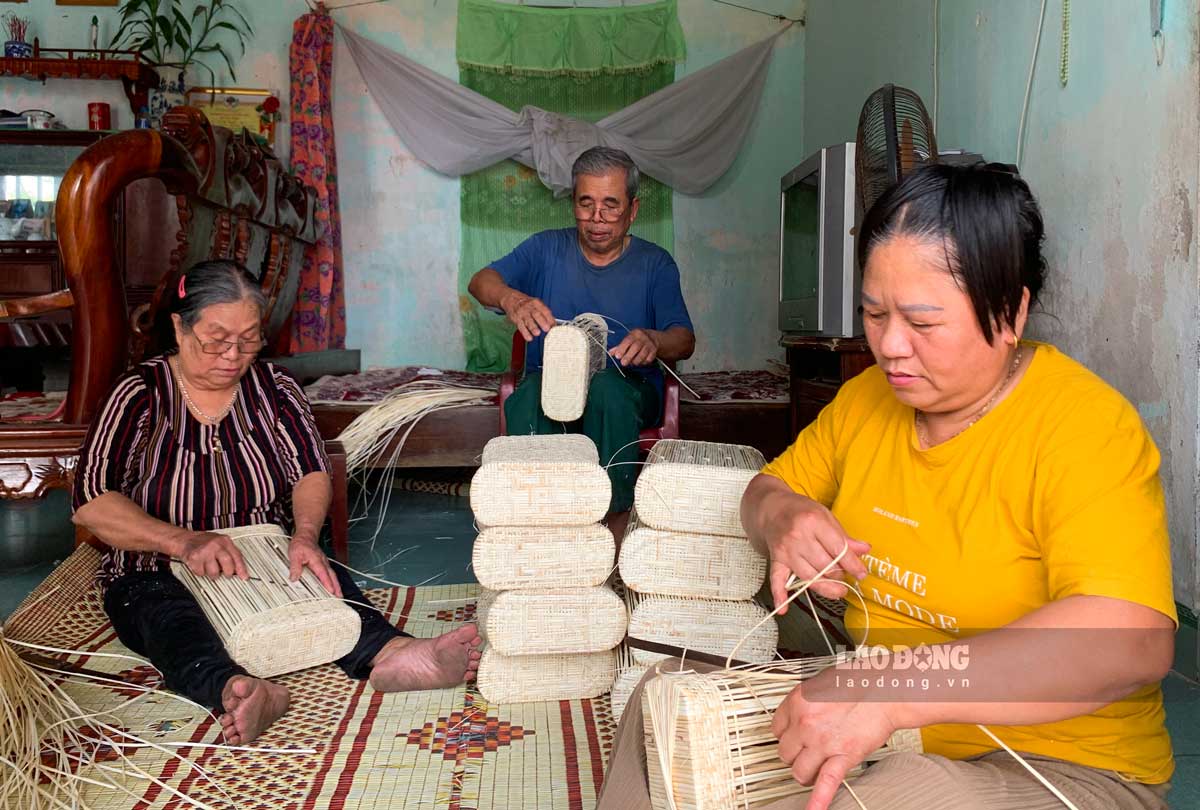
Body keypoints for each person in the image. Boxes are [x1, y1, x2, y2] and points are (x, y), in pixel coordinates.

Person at [598, 164, 1175, 810]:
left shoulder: (1083, 428)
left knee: (888, 800)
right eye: (874, 314)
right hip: (897, 740)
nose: (890, 346)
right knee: (663, 701)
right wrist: (782, 515)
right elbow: (765, 489)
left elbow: (1132, 641)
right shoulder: (867, 401)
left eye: (922, 323)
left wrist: (892, 687)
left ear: (1010, 313)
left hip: (1066, 770)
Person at [72, 260, 482, 746]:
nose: (233, 355)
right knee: (168, 622)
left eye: (248, 340)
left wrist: (305, 536)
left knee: (325, 582)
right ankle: (238, 689)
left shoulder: (275, 389)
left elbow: (311, 470)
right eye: (216, 339)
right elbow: (91, 502)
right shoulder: (138, 394)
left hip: (262, 556)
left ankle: (395, 653)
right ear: (179, 327)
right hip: (156, 564)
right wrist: (182, 542)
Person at [467, 146, 695, 540]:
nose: (597, 219)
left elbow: (684, 339)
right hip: (552, 385)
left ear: (633, 210)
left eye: (611, 205)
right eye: (586, 204)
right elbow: (480, 281)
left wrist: (654, 340)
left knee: (607, 389)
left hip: (630, 390)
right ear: (573, 203)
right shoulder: (545, 249)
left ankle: (610, 523)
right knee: (530, 395)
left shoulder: (655, 264)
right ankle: (540, 520)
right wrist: (510, 298)